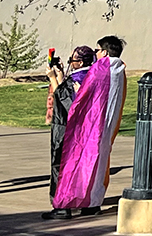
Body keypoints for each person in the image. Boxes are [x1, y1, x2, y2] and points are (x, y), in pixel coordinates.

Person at [51, 36, 128, 217]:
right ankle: (92, 203)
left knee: (77, 161)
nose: (97, 53)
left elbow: (84, 95)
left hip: (90, 125)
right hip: (108, 126)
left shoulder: (99, 69)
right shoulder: (120, 70)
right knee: (99, 165)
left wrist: (78, 92)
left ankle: (65, 204)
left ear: (105, 52)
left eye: (98, 50)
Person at [41, 45, 96, 220]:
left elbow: (64, 99)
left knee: (59, 164)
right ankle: (84, 201)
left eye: (73, 60)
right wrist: (61, 75)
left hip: (65, 126)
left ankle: (61, 205)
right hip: (83, 128)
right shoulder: (91, 76)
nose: (71, 63)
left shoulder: (78, 78)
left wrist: (52, 79)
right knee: (78, 166)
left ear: (80, 62)